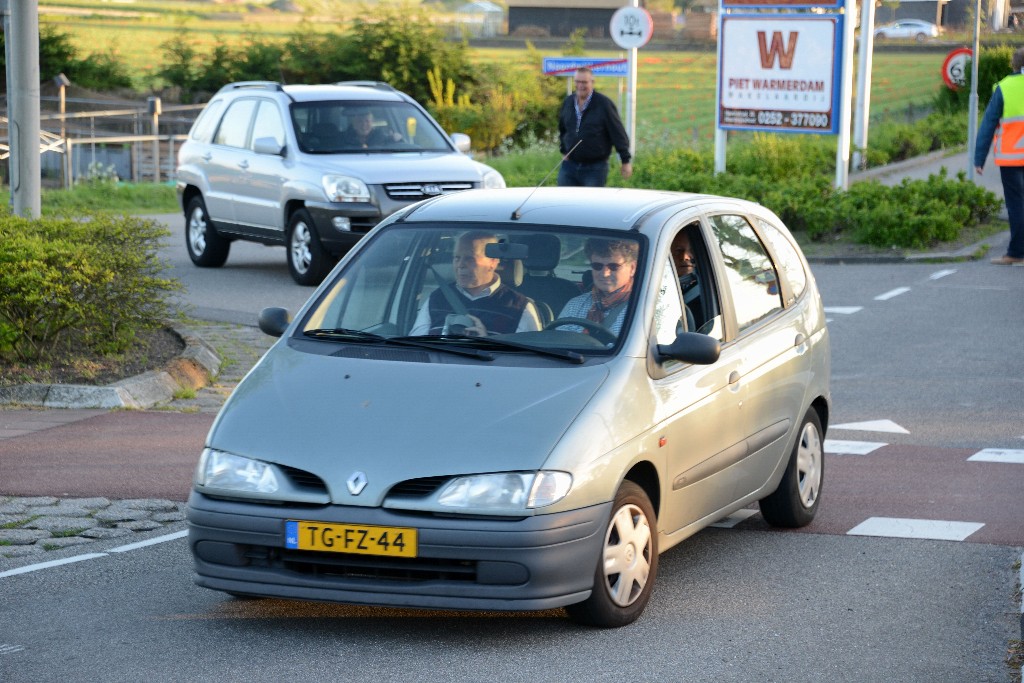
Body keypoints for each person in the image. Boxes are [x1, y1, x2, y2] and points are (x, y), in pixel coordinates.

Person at [410, 232, 542, 336]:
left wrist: (486, 344)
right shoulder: (436, 299)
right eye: (457, 258)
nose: (460, 265)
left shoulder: (519, 308)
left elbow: (527, 363)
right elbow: (414, 350)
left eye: (469, 258)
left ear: (493, 262)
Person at [974, 46, 1024, 265]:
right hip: (1012, 160)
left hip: (1012, 159)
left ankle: (1016, 253)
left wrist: (979, 158)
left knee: (1016, 206)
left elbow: (988, 125)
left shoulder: (1004, 88)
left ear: (1014, 64)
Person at [557, 67, 633, 187]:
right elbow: (562, 129)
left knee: (590, 204)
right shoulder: (568, 102)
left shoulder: (604, 104)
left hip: (595, 168)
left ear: (592, 82)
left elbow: (618, 133)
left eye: (584, 82)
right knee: (564, 204)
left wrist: (625, 161)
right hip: (569, 166)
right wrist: (564, 150)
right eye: (577, 81)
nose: (580, 85)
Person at [555, 238, 638, 336]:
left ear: (632, 268)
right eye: (597, 266)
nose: (605, 273)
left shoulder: (640, 308)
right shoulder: (575, 305)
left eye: (613, 267)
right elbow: (557, 343)